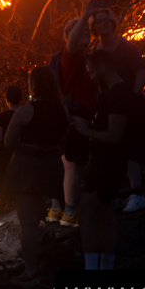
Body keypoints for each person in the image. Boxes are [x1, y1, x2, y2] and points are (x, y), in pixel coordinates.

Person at [3, 67, 68, 282]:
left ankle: (31, 271)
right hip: (50, 169)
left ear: (33, 85)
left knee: (28, 223)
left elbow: (7, 142)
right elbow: (64, 137)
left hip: (26, 171)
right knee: (40, 216)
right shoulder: (61, 109)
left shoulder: (25, 111)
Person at [71, 50, 134, 270]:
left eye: (91, 71)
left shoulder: (118, 95)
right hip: (109, 165)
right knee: (104, 213)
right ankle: (106, 267)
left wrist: (86, 130)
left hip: (106, 166)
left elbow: (114, 136)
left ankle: (92, 270)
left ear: (102, 68)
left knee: (85, 212)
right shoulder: (112, 93)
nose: (91, 77)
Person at [88, 4, 145, 213]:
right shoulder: (95, 51)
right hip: (106, 106)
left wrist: (131, 95)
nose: (103, 23)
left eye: (106, 20)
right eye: (98, 21)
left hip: (127, 103)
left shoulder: (126, 48)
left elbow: (140, 72)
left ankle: (137, 193)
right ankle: (112, 194)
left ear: (112, 22)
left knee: (128, 147)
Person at [52, 14, 100, 227]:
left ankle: (56, 208)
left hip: (73, 117)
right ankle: (69, 213)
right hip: (75, 117)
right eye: (83, 31)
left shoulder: (83, 57)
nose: (87, 34)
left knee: (67, 164)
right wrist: (86, 12)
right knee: (71, 165)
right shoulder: (70, 56)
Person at [0, 85, 22, 215]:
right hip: (20, 156)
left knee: (0, 187)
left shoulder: (2, 116)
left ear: (7, 99)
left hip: (2, 157)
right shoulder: (24, 115)